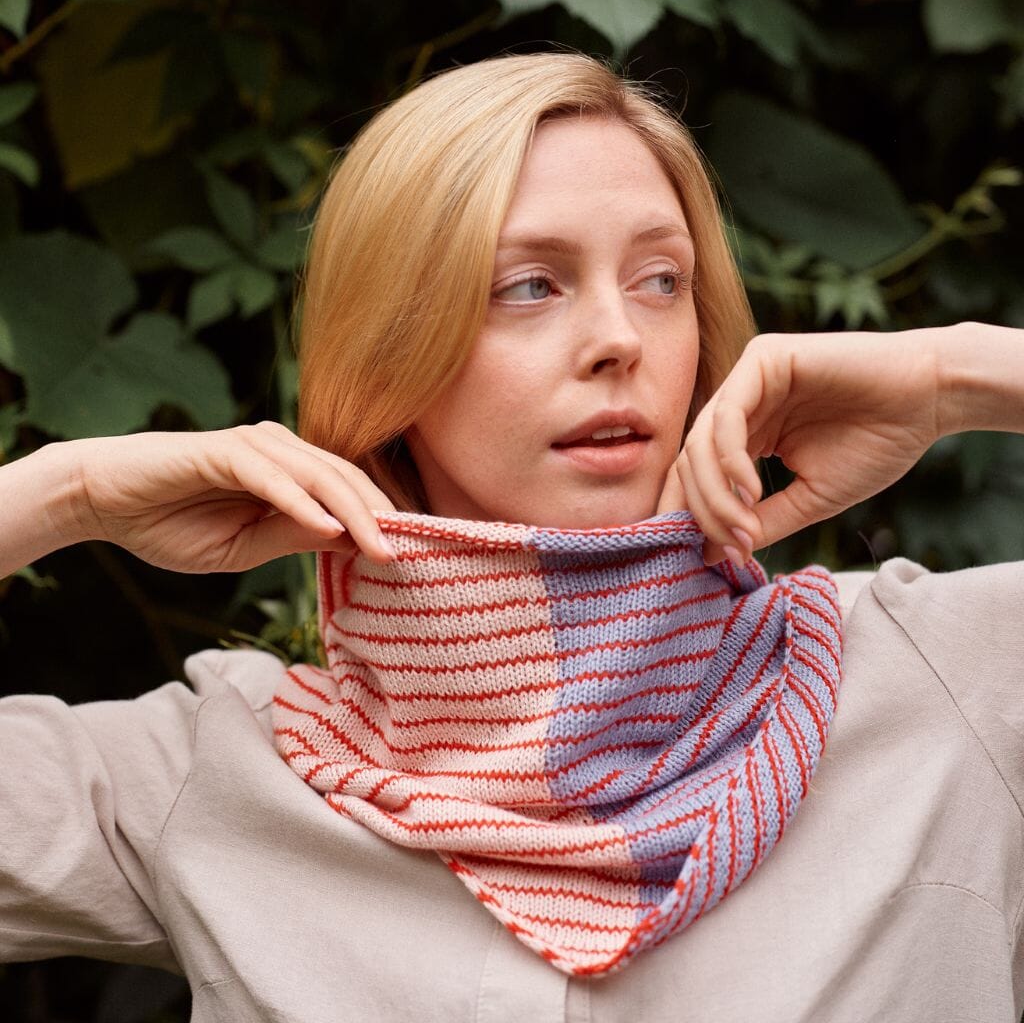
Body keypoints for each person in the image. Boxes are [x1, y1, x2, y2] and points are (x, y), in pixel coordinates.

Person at [1, 51, 1023, 1022]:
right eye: (529, 284)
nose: (620, 338)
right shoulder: (224, 771)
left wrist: (954, 378)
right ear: (391, 355)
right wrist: (65, 491)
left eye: (661, 280)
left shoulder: (944, 679)